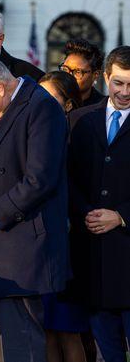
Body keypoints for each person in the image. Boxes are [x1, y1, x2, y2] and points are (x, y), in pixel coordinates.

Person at [0, 58, 69, 362]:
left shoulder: (41, 107)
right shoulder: (3, 106)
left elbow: (40, 179)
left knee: (21, 348)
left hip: (21, 252)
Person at [67, 46, 130, 362]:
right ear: (105, 78)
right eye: (118, 83)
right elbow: (66, 176)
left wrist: (120, 216)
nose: (125, 92)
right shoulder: (78, 120)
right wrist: (86, 213)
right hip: (91, 260)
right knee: (106, 352)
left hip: (126, 252)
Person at [39, 71, 88, 362]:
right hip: (41, 250)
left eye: (50, 98)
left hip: (69, 248)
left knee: (68, 329)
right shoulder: (37, 133)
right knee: (45, 328)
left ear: (68, 104)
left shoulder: (80, 137)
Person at [60, 39, 105, 107]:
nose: (69, 76)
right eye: (65, 69)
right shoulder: (52, 100)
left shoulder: (104, 107)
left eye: (78, 72)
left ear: (95, 75)